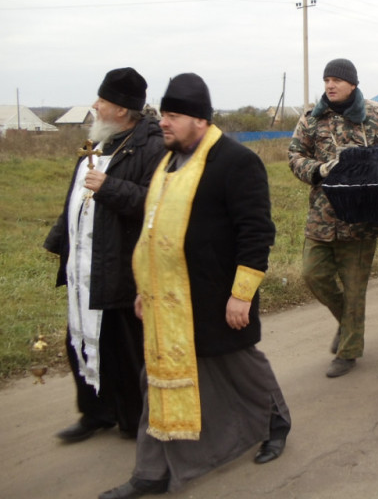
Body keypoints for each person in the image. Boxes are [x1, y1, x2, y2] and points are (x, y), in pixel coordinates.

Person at [99, 74, 291, 499]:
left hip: (215, 295)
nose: (163, 123)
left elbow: (256, 233)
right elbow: (153, 231)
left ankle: (276, 421)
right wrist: (144, 288)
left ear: (200, 120)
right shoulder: (168, 162)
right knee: (157, 377)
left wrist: (242, 295)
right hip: (169, 299)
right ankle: (150, 473)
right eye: (163, 114)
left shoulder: (236, 162)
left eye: (173, 115)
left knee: (241, 367)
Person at [44, 67, 165, 444]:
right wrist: (59, 240)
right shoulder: (99, 141)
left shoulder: (152, 147)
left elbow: (157, 204)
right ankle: (95, 413)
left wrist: (111, 187)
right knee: (79, 339)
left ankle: (132, 421)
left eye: (103, 102)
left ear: (123, 110)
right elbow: (76, 197)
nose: (95, 106)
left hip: (120, 266)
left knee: (121, 348)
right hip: (85, 264)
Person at [288, 59, 378, 378]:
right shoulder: (312, 118)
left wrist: (372, 173)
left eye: (336, 80)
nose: (329, 86)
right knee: (313, 274)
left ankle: (348, 351)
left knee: (354, 289)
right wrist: (317, 171)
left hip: (362, 218)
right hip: (322, 214)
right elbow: (295, 155)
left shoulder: (377, 116)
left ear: (352, 83)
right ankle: (347, 323)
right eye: (326, 80)